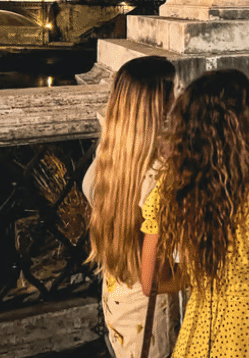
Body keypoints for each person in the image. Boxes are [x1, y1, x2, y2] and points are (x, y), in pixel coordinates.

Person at [141, 69, 249, 358]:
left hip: (197, 340)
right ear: (243, 127)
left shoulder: (172, 192)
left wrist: (201, 273)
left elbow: (151, 282)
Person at [83, 56, 179, 358]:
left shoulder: (109, 155)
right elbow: (161, 273)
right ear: (159, 105)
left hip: (118, 302)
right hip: (152, 315)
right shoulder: (160, 177)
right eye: (173, 92)